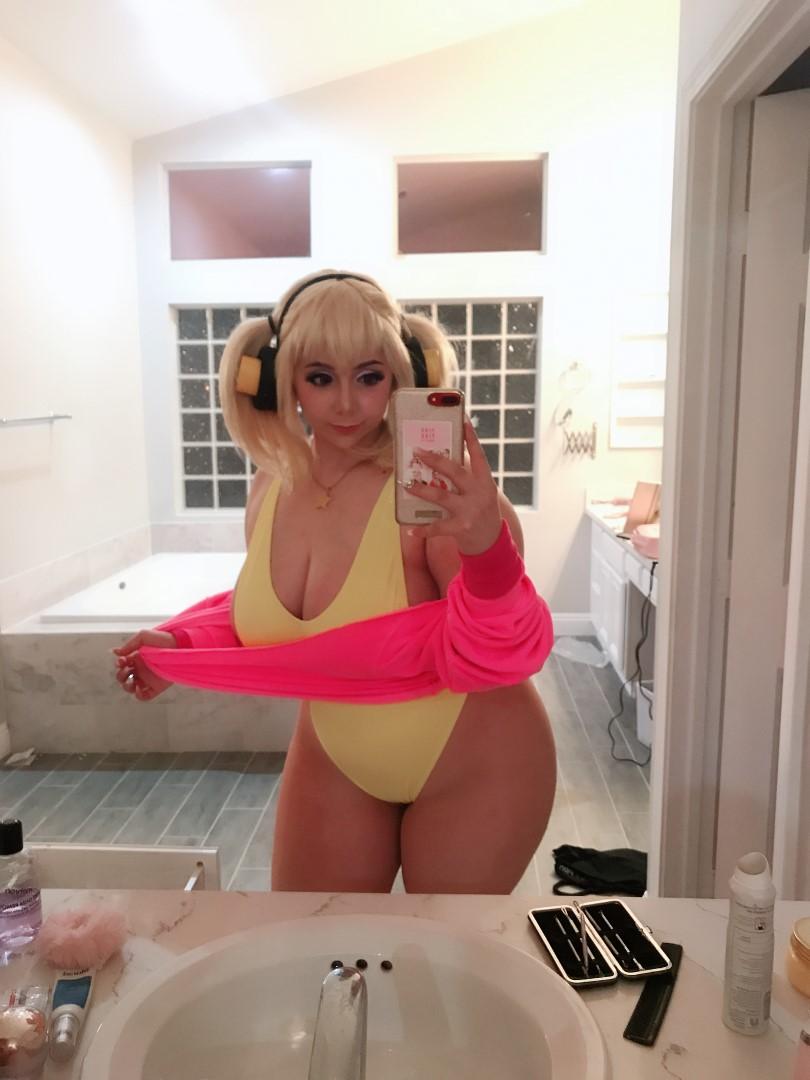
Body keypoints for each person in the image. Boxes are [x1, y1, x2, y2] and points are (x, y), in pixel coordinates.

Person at [114, 270, 556, 894]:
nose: (346, 404)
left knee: (437, 953)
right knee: (310, 941)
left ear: (402, 376)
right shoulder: (271, 486)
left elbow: (502, 648)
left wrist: (487, 546)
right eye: (320, 378)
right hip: (336, 756)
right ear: (279, 380)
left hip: (476, 761)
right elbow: (292, 624)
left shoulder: (429, 490)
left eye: (369, 377)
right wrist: (183, 646)